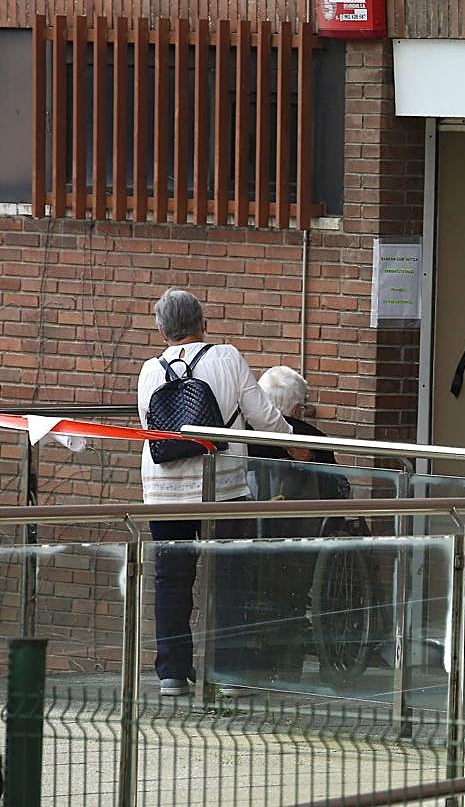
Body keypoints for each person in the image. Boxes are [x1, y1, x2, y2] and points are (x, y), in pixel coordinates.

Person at [138, 288, 293, 697]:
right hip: (222, 486)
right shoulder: (227, 357)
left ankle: (171, 672)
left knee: (170, 579)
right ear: (203, 323)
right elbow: (264, 417)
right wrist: (294, 440)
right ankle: (229, 671)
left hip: (164, 489)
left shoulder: (149, 371)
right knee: (231, 576)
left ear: (162, 330)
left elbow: (150, 426)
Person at [248, 366, 351, 683]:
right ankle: (290, 661)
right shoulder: (313, 439)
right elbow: (337, 492)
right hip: (302, 540)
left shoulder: (243, 437)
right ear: (296, 408)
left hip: (251, 534)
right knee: (294, 584)